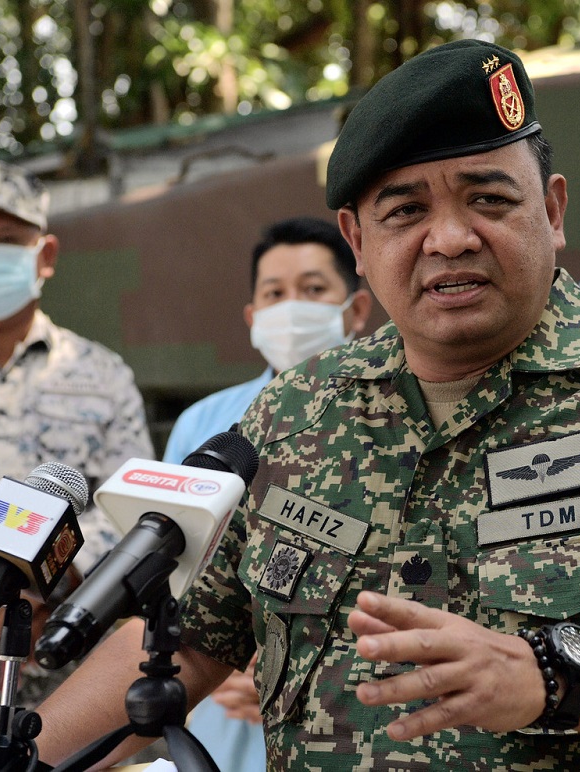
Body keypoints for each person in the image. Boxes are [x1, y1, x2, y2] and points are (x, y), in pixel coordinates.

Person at [0, 41, 580, 770]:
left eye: (488, 198)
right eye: (405, 211)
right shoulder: (297, 413)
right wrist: (5, 762)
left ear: (553, 213)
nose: (450, 236)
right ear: (359, 244)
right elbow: (190, 640)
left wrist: (549, 675)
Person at [0, 161, 154, 726]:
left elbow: (135, 510)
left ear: (46, 255)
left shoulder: (102, 375)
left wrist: (54, 576)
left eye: (7, 240)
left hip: (71, 684)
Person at [163, 216, 372, 771]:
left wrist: (290, 664)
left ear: (355, 310)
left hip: (344, 712)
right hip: (219, 709)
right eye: (275, 294)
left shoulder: (387, 421)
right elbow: (174, 581)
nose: (291, 307)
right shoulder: (204, 426)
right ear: (253, 318)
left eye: (313, 289)